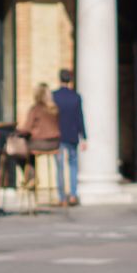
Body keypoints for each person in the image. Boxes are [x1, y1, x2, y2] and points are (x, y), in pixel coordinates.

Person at [13, 83, 61, 190]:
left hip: (40, 143)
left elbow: (27, 129)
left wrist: (17, 132)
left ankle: (31, 177)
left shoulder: (35, 109)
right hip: (55, 143)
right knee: (29, 152)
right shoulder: (54, 108)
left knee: (19, 152)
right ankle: (31, 178)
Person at [53, 68, 85, 207]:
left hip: (58, 135)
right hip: (72, 135)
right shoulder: (76, 96)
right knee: (73, 166)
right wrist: (84, 137)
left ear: (59, 79)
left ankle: (62, 197)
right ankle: (73, 194)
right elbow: (80, 118)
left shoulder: (54, 96)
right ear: (70, 80)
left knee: (59, 167)